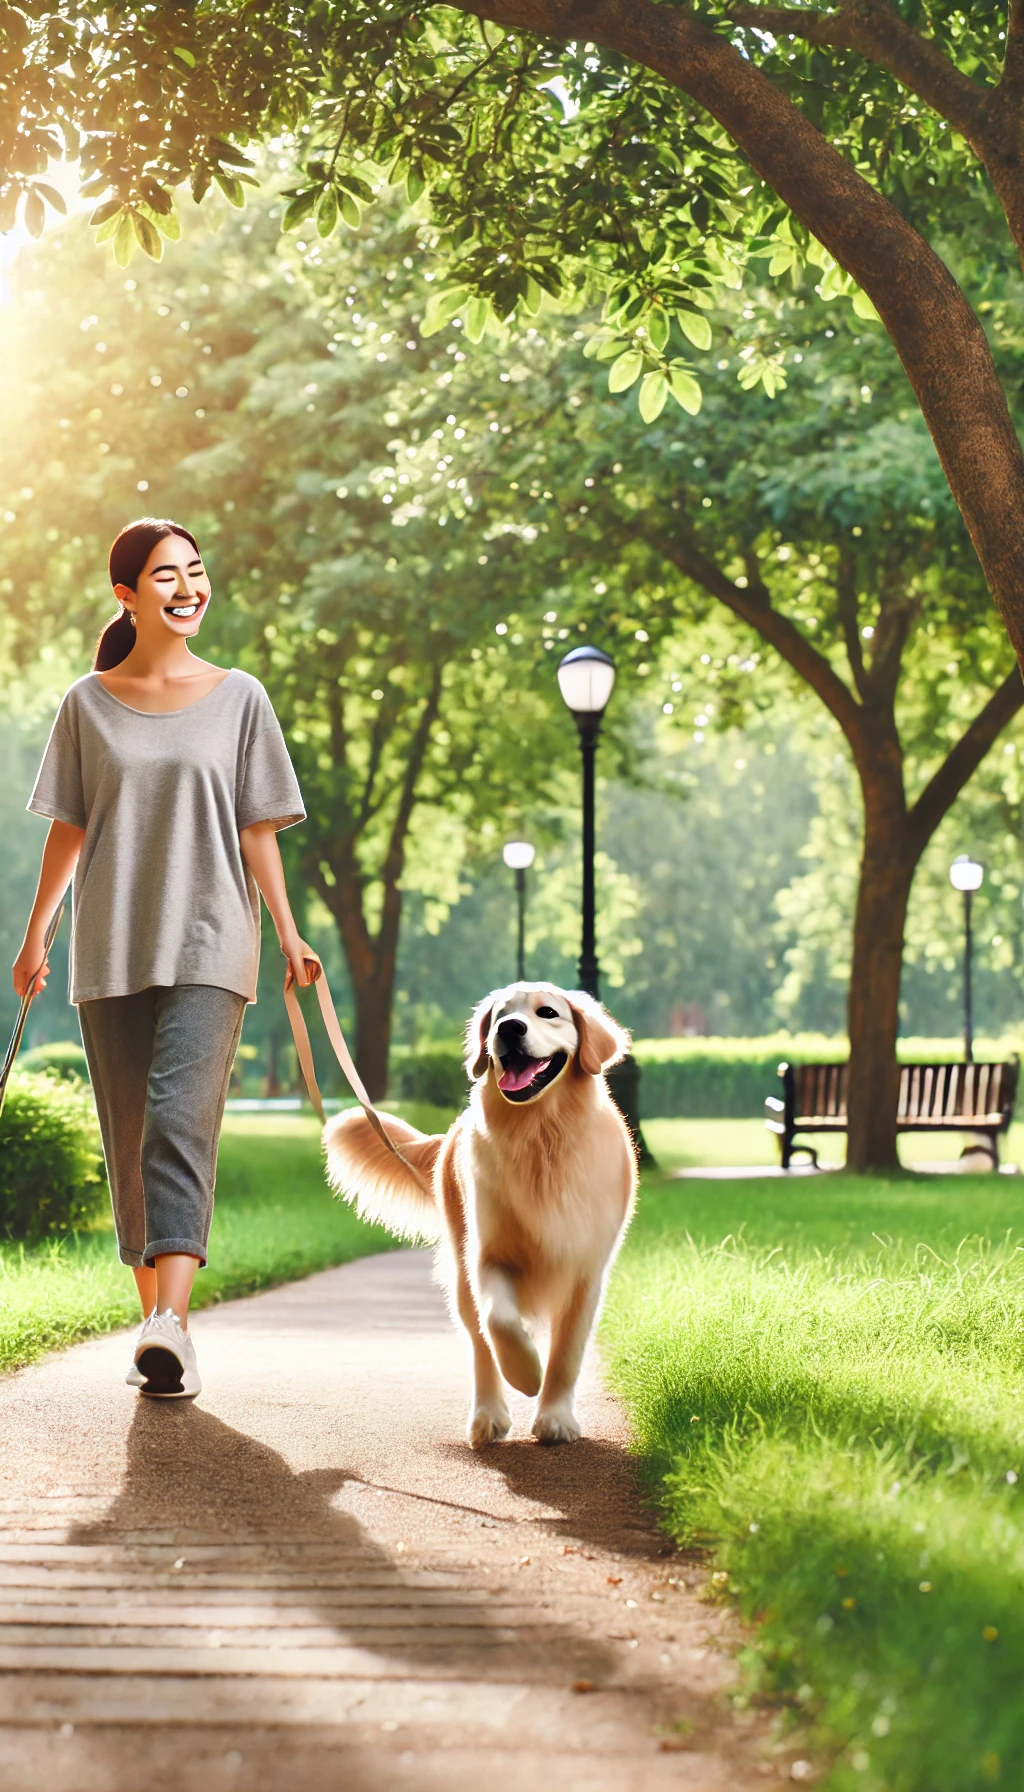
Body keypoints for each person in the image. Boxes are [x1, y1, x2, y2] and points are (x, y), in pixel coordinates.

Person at [12, 518, 320, 1398]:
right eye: (165, 576)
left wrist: (289, 929)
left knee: (179, 1125)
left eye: (196, 571)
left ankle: (174, 1323)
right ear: (126, 595)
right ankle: (156, 1325)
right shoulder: (87, 702)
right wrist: (37, 934)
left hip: (213, 940)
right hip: (110, 944)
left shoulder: (240, 697)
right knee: (129, 1140)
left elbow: (258, 825)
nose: (187, 588)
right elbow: (69, 828)